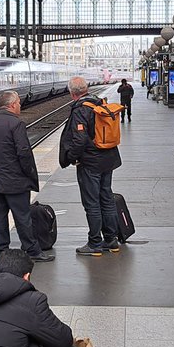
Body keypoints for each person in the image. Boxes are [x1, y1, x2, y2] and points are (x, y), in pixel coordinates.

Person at [0, 91, 54, 262]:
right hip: (16, 180)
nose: (20, 106)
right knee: (23, 217)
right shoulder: (16, 124)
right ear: (13, 104)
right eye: (19, 103)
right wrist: (29, 173)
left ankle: (2, 251)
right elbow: (24, 152)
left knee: (0, 215)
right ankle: (32, 251)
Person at [59, 76, 121, 257]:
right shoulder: (99, 103)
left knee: (92, 203)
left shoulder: (80, 110)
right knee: (107, 199)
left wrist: (71, 158)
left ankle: (95, 243)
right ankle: (111, 240)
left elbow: (79, 141)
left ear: (72, 93)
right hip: (108, 159)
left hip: (90, 163)